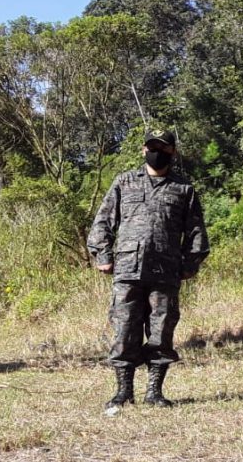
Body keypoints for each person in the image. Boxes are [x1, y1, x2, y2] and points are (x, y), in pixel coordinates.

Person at [88, 129, 209, 410]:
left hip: (165, 272)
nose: (156, 153)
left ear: (172, 152)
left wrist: (191, 264)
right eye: (152, 147)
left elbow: (196, 231)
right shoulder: (124, 182)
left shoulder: (184, 189)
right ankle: (123, 391)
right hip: (127, 270)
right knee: (124, 330)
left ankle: (154, 391)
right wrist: (103, 254)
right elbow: (103, 222)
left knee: (161, 331)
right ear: (143, 150)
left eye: (163, 148)